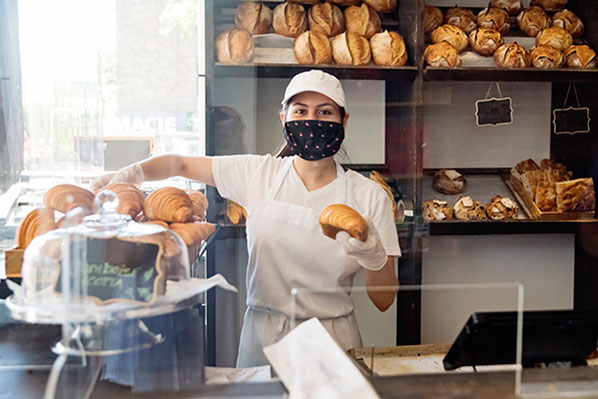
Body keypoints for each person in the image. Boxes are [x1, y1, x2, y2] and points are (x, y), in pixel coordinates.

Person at [92, 70, 401, 367]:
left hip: (333, 341)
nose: (311, 120)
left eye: (324, 113)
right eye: (300, 111)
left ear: (343, 120)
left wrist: (374, 258)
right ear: (284, 119)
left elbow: (384, 300)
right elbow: (180, 164)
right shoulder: (259, 174)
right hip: (263, 338)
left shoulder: (369, 196)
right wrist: (134, 174)